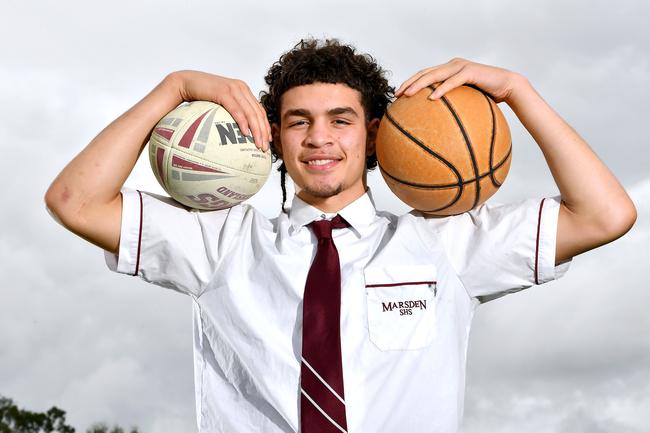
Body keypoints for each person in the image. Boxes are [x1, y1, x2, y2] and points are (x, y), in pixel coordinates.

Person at [45, 39, 636, 433]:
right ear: (273, 138)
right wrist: (172, 89)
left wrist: (517, 91)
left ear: (374, 136)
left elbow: (605, 215)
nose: (318, 138)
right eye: (298, 121)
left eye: (340, 120)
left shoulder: (445, 247)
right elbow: (74, 201)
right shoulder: (222, 245)